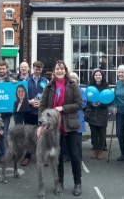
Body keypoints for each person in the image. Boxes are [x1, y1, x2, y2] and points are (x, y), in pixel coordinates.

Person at [38, 60, 83, 196]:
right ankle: (60, 181)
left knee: (74, 155)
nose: (59, 71)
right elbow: (42, 106)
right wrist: (42, 121)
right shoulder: (49, 86)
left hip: (70, 125)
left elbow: (79, 104)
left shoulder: (72, 85)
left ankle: (77, 183)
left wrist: (62, 108)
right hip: (53, 127)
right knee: (57, 157)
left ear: (65, 70)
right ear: (54, 71)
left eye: (62, 68)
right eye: (57, 68)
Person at [22, 61, 49, 166]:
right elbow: (21, 96)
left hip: (41, 113)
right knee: (29, 136)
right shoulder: (26, 81)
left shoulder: (46, 81)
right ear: (32, 68)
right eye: (36, 69)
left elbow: (47, 96)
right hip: (29, 112)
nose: (38, 71)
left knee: (42, 135)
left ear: (42, 69)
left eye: (40, 69)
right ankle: (27, 157)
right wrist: (30, 102)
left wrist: (41, 103)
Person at [84, 69, 111, 160]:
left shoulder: (106, 86)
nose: (98, 76)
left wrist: (101, 104)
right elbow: (86, 98)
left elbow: (109, 100)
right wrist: (92, 103)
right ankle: (95, 149)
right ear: (93, 76)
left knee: (102, 133)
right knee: (94, 132)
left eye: (99, 75)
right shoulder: (90, 86)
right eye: (96, 75)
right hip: (92, 112)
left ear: (102, 76)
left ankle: (100, 150)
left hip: (102, 113)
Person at [62, 72, 87, 162]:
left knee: (77, 139)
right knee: (65, 138)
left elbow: (83, 103)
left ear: (77, 80)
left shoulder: (81, 91)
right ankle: (66, 155)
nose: (72, 80)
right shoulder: (65, 89)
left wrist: (72, 106)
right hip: (66, 116)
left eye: (74, 78)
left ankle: (78, 157)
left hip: (77, 116)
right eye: (70, 78)